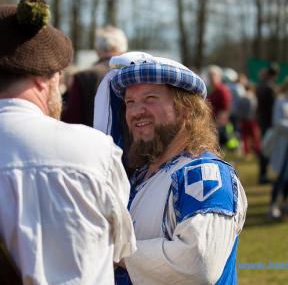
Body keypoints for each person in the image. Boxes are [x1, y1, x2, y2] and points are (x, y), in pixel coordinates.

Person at [0, 0, 136, 284]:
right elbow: (120, 249)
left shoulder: (86, 79)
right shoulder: (97, 152)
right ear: (43, 79)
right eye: (58, 76)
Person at [94, 53, 248, 284]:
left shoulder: (205, 174)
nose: (136, 111)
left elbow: (198, 263)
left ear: (185, 107)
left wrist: (114, 251)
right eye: (130, 102)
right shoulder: (140, 177)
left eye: (150, 98)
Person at [61, 25, 128, 127]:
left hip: (90, 140)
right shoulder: (130, 75)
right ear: (123, 50)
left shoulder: (83, 77)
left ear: (97, 50)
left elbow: (72, 119)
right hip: (124, 142)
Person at [268, 75, 288, 219]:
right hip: (284, 144)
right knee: (282, 174)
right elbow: (277, 123)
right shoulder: (281, 102)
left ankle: (285, 203)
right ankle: (273, 206)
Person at [256, 65, 280, 183]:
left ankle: (263, 173)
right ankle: (263, 174)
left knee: (264, 147)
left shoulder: (261, 85)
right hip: (269, 122)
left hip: (262, 120)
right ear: (275, 74)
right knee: (266, 147)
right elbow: (274, 108)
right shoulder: (271, 87)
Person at [207, 65, 232, 146]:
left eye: (213, 76)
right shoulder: (211, 89)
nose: (211, 78)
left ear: (219, 77)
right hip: (211, 124)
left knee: (218, 148)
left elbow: (225, 110)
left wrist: (216, 125)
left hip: (219, 125)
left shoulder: (222, 90)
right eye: (209, 76)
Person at [237, 84, 261, 157]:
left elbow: (240, 110)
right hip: (252, 119)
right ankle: (257, 151)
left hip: (244, 119)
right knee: (255, 136)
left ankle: (247, 151)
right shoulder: (253, 98)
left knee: (245, 137)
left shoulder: (242, 98)